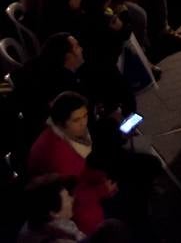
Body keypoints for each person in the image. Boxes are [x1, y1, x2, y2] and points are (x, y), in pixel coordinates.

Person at [25, 92, 114, 234]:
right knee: (94, 221)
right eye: (76, 120)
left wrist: (98, 177)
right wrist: (101, 190)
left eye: (85, 116)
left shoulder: (66, 135)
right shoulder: (59, 153)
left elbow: (79, 172)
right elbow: (73, 194)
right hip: (57, 202)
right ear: (62, 122)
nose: (84, 123)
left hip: (70, 187)